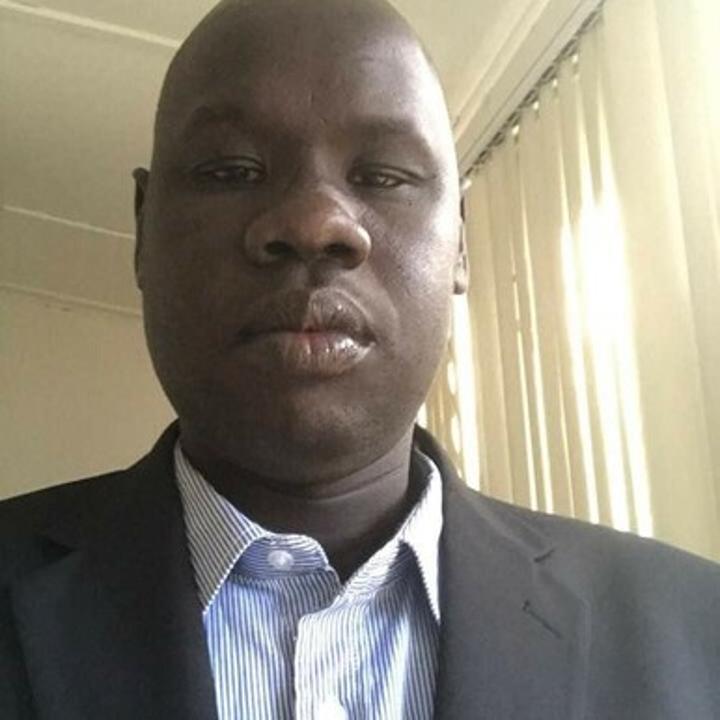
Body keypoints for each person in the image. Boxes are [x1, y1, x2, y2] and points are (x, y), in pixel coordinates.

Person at [2, 0, 719, 718]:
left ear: (459, 242)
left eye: (383, 176)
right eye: (231, 170)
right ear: (142, 228)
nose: (315, 223)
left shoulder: (698, 631)